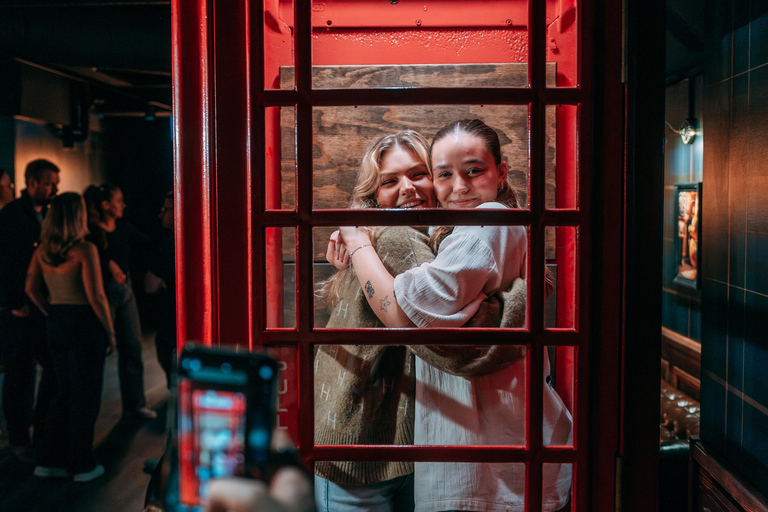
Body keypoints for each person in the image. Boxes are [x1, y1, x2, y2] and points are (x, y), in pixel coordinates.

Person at [339, 119, 572, 512]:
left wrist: (356, 237)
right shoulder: (451, 231)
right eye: (445, 174)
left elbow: (411, 310)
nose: (460, 186)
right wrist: (364, 219)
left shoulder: (490, 219)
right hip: (492, 449)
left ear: (501, 173)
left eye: (474, 171)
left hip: (486, 457)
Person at [313, 130, 436, 512]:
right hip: (366, 449)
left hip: (366, 443)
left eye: (418, 174)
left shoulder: (374, 234)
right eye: (390, 181)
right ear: (375, 196)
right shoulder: (397, 237)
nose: (407, 188)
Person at [25, 192, 116, 482]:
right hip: (84, 325)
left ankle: (50, 461)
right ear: (77, 216)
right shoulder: (85, 249)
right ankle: (82, 465)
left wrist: (50, 310)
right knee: (85, 397)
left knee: (62, 392)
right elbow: (96, 296)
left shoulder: (42, 251)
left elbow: (30, 289)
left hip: (56, 323)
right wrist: (110, 331)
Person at [0, 158, 59, 462]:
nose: (54, 189)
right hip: (20, 308)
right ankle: (19, 438)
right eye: (48, 183)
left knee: (40, 368)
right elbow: (5, 263)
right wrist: (16, 303)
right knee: (20, 372)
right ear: (32, 183)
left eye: (55, 183)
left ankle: (36, 432)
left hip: (39, 304)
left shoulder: (47, 212)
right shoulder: (12, 215)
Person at [86, 183, 157, 419]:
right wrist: (108, 263)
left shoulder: (124, 227)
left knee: (133, 348)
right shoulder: (90, 232)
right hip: (101, 293)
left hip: (125, 291)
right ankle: (88, 412)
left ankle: (134, 406)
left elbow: (148, 243)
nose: (124, 205)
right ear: (106, 205)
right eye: (119, 201)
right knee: (98, 352)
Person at [144, 191, 176, 387]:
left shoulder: (169, 246)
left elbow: (150, 285)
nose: (161, 214)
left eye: (165, 209)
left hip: (170, 323)